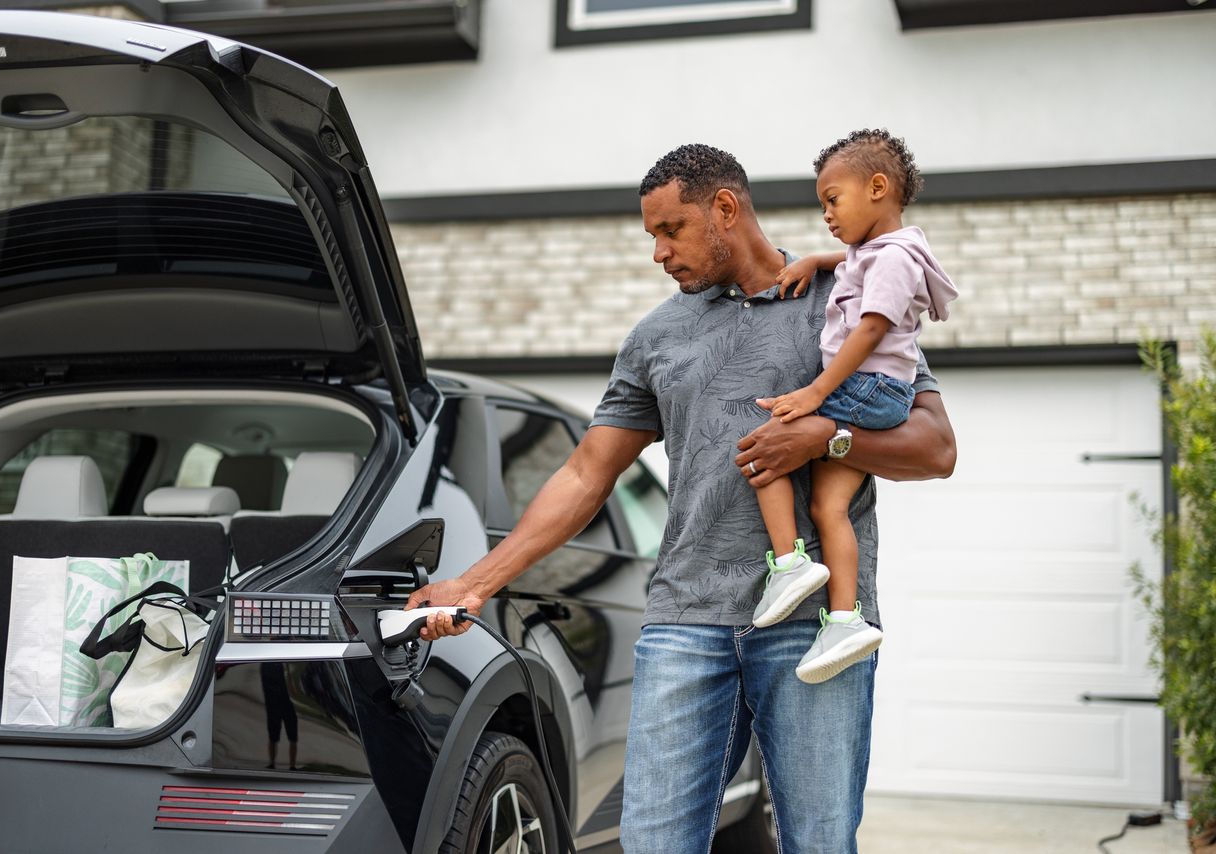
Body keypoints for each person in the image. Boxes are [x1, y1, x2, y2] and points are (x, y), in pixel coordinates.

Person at [406, 143, 957, 854]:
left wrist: (826, 438)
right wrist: (475, 583)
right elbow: (583, 474)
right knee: (656, 842)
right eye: (652, 236)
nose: (660, 253)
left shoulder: (849, 295)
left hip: (814, 626)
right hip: (684, 622)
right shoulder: (657, 337)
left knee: (819, 843)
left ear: (724, 209)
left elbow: (936, 447)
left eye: (671, 230)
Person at [749, 129, 958, 687]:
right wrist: (816, 261)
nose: (827, 214)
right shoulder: (878, 253)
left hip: (868, 386)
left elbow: (870, 330)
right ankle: (844, 620)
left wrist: (816, 396)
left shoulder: (893, 259)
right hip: (877, 391)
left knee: (769, 442)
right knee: (828, 507)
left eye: (833, 200)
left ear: (878, 188)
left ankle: (790, 565)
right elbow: (854, 261)